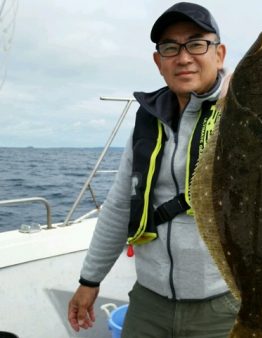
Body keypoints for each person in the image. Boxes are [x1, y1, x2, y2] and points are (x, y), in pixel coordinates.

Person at [67, 2, 238, 337]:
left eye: (197, 43)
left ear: (219, 55)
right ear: (159, 62)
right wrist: (90, 279)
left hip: (221, 304)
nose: (184, 57)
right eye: (170, 48)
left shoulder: (243, 115)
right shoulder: (147, 121)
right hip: (149, 302)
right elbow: (119, 205)